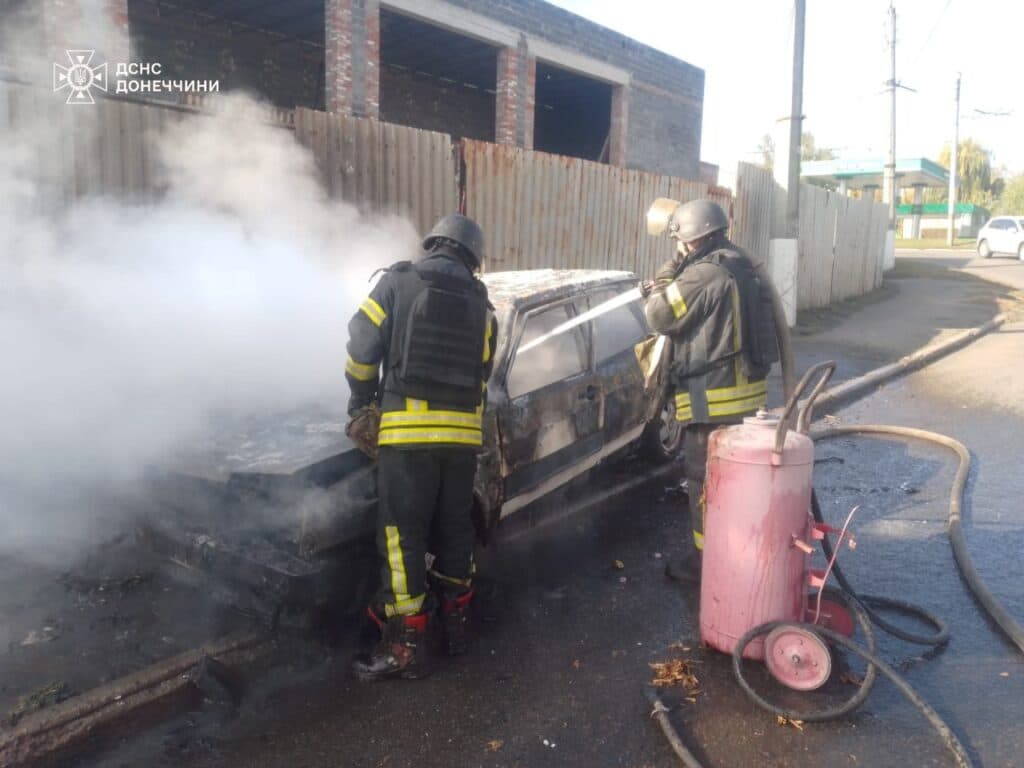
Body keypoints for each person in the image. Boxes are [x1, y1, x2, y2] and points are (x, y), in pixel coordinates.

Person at [344, 213, 498, 681]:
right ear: (473, 256)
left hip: (408, 438)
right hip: (462, 440)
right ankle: (456, 628)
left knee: (400, 536)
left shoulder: (398, 282)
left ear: (433, 243)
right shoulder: (483, 303)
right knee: (455, 529)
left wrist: (361, 400)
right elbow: (485, 369)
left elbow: (361, 347)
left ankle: (404, 646)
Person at [640, 198, 775, 583]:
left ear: (689, 239)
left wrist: (663, 280)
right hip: (747, 396)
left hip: (712, 399)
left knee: (703, 480)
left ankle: (705, 562)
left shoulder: (703, 275)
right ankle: (741, 552)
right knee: (739, 480)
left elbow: (660, 315)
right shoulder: (740, 265)